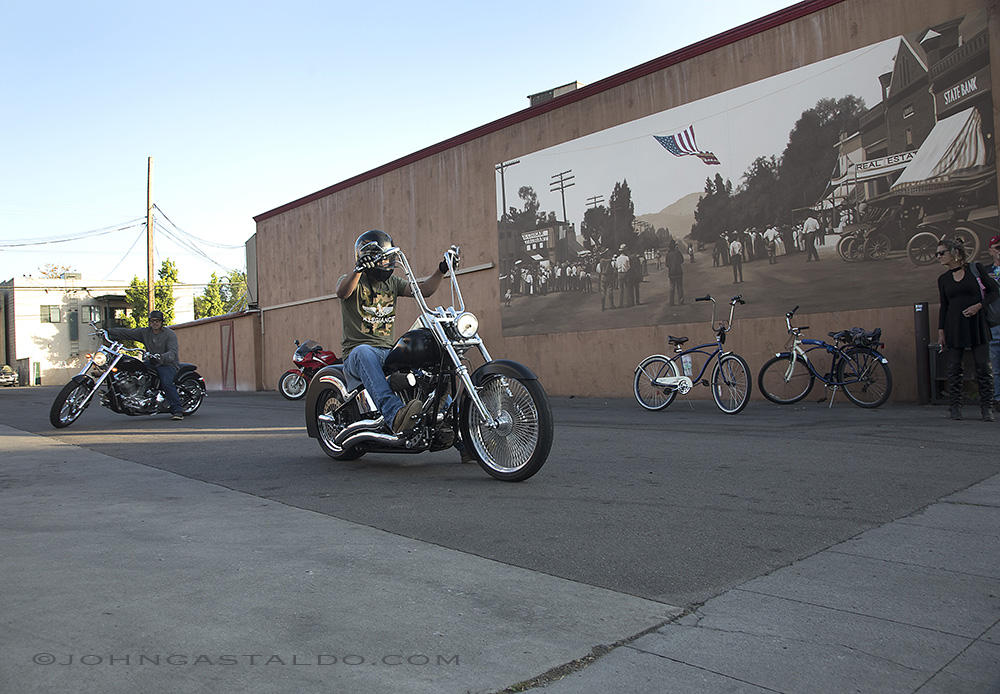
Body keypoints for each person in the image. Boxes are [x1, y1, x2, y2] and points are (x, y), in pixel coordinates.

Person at [336, 229, 449, 435]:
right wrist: (358, 269)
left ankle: (452, 425)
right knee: (364, 351)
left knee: (423, 353)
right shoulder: (352, 280)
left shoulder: (392, 282)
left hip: (387, 352)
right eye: (380, 259)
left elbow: (423, 290)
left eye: (387, 258)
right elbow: (343, 292)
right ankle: (395, 416)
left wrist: (441, 270)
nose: (384, 263)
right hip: (357, 355)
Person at [936, 236, 999, 421]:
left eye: (941, 253)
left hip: (977, 325)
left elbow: (994, 291)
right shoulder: (943, 279)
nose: (938, 256)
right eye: (937, 253)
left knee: (983, 367)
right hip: (954, 326)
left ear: (954, 253)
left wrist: (979, 306)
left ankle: (987, 408)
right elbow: (944, 306)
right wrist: (941, 331)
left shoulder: (975, 269)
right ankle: (955, 407)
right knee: (954, 367)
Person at [108, 310, 185, 420]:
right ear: (149, 322)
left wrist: (161, 357)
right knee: (135, 371)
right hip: (151, 361)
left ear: (162, 322)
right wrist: (109, 331)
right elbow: (128, 333)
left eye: (157, 321)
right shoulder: (145, 332)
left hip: (167, 363)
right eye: (152, 321)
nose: (155, 323)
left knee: (166, 383)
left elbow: (172, 352)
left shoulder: (169, 334)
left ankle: (177, 410)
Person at [986, 235, 1000, 412]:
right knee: (995, 367)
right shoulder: (985, 271)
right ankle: (998, 399)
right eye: (997, 247)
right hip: (994, 324)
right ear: (990, 250)